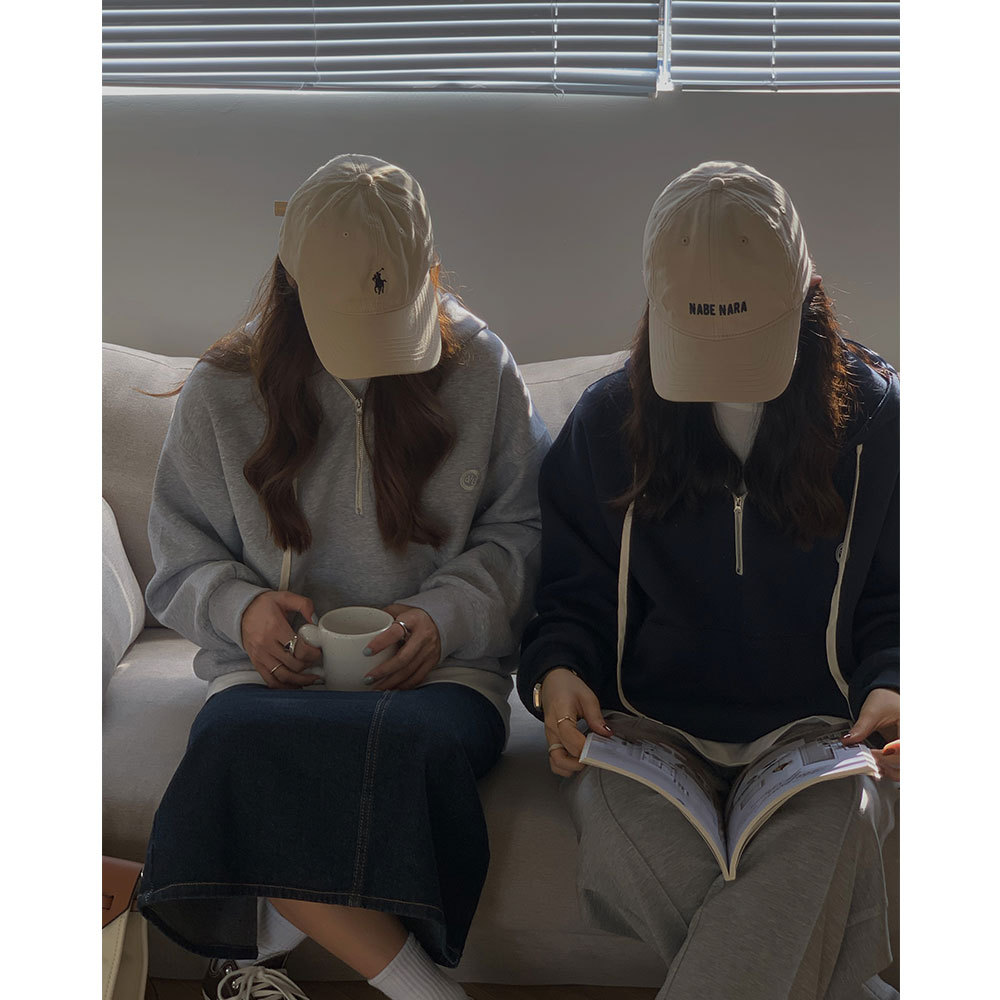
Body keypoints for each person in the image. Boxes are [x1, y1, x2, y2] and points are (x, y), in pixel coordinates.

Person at [136, 154, 550, 1000]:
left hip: (441, 674)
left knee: (409, 749)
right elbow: (178, 558)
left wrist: (443, 617)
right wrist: (243, 610)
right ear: (291, 287)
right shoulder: (222, 389)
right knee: (237, 748)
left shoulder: (483, 369)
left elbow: (526, 533)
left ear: (429, 273)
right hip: (271, 676)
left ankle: (253, 955)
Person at [517, 162, 900, 999]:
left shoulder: (877, 422)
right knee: (621, 831)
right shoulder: (606, 423)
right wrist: (558, 671)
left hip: (817, 732)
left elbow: (902, 593)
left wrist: (895, 681)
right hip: (647, 729)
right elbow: (571, 594)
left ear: (809, 298)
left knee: (849, 812)